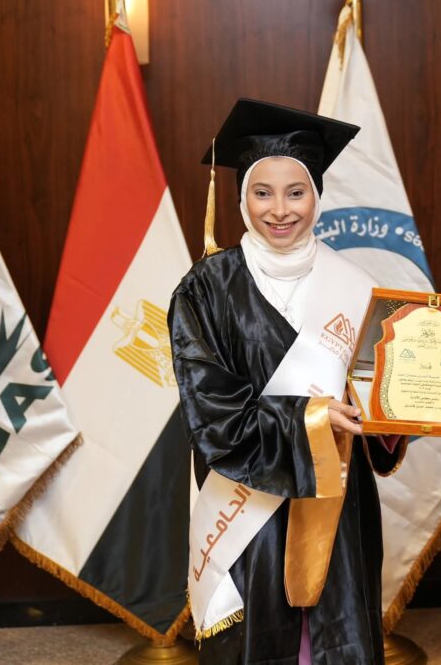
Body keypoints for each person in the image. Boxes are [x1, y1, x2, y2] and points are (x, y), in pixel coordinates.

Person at [169, 98, 406, 664]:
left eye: (296, 193)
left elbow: (375, 397)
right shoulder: (205, 289)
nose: (280, 210)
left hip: (337, 500)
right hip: (248, 504)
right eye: (263, 193)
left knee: (337, 635)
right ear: (242, 197)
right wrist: (313, 417)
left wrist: (407, 409)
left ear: (316, 196)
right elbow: (213, 414)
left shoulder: (356, 286)